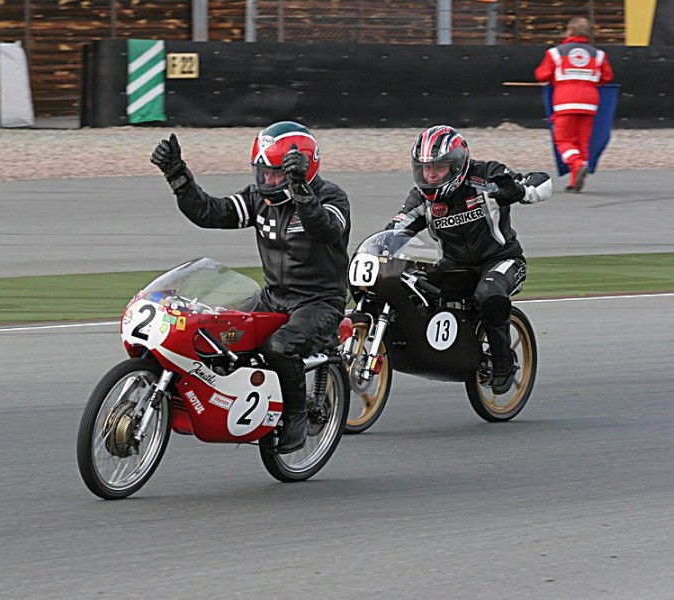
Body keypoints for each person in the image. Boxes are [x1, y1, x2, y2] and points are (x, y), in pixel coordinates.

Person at [150, 121, 351, 454]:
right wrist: (177, 175)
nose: (268, 180)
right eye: (263, 172)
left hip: (320, 303)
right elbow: (208, 212)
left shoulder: (332, 197)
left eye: (276, 174)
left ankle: (297, 417)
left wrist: (300, 189)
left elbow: (326, 230)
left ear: (303, 168)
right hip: (273, 298)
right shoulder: (260, 199)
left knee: (280, 347)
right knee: (215, 333)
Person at [385, 125, 552, 394]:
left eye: (437, 167)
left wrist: (518, 191)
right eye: (424, 167)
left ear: (457, 165)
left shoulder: (486, 175)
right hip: (454, 266)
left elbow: (542, 182)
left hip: (501, 260)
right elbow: (395, 229)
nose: (430, 174)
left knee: (489, 293)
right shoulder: (422, 198)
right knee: (412, 284)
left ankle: (503, 362)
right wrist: (381, 248)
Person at [534, 17, 614, 193]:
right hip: (590, 103)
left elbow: (541, 75)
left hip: (565, 102)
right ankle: (574, 180)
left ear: (569, 32)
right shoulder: (598, 54)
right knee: (581, 142)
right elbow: (606, 77)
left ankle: (577, 164)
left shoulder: (555, 53)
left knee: (563, 140)